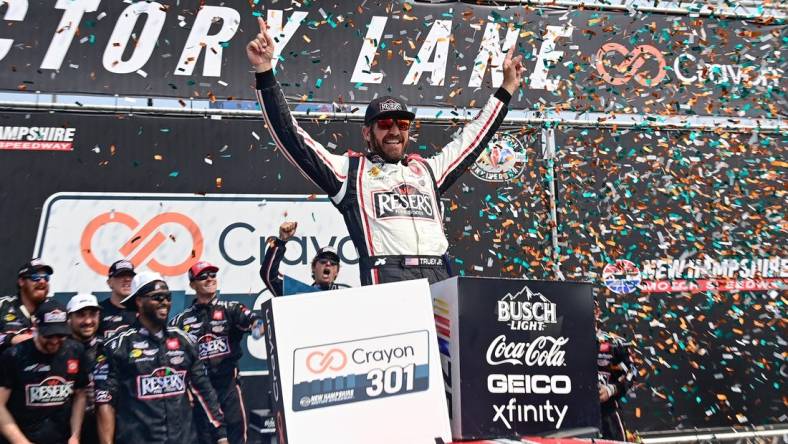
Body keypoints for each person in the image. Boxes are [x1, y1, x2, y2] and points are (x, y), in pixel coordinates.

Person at [247, 18, 524, 286]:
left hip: (440, 274)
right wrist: (265, 71)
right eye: (384, 123)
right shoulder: (349, 173)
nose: (394, 130)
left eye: (402, 124)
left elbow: (472, 140)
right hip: (389, 276)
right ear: (367, 132)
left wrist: (506, 89)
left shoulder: (427, 171)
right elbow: (293, 138)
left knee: (444, 337)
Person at [94, 271, 228, 444]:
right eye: (157, 297)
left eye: (167, 296)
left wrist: (221, 436)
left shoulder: (184, 340)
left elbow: (203, 390)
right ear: (139, 301)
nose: (164, 302)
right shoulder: (116, 345)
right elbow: (105, 400)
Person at [170, 261, 264, 444]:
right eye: (203, 276)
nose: (209, 279)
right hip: (200, 392)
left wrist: (257, 329)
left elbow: (256, 321)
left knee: (236, 438)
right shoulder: (181, 321)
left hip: (228, 386)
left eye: (212, 275)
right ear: (192, 284)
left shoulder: (231, 308)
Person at [0, 299, 89, 444]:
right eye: (48, 335)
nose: (54, 341)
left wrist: (75, 435)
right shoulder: (14, 356)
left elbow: (80, 394)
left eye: (60, 335)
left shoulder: (75, 351)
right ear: (36, 327)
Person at [260, 221, 351, 296]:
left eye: (333, 262)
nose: (328, 263)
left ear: (337, 271)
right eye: (323, 260)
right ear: (313, 267)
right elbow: (268, 276)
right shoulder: (300, 294)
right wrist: (281, 241)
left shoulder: (347, 296)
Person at [596, 299, 635, 441]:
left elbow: (631, 372)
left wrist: (612, 389)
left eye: (593, 309)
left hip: (607, 410)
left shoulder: (614, 343)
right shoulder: (565, 341)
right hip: (572, 412)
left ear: (597, 312)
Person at [67, 293, 103, 444]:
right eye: (81, 315)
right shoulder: (59, 350)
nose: (88, 321)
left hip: (103, 426)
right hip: (67, 429)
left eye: (92, 314)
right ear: (69, 319)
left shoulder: (110, 347)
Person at [0, 258, 54, 353]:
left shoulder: (55, 309)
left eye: (46, 277)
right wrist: (10, 339)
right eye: (35, 277)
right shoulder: (3, 305)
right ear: (21, 281)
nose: (42, 281)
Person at [97, 259, 137, 339]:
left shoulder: (143, 310)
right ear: (109, 282)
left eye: (130, 276)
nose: (127, 279)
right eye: (121, 275)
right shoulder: (98, 311)